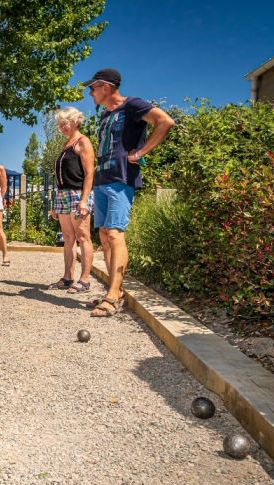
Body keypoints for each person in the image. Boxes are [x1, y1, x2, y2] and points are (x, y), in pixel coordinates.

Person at [83, 68, 174, 317]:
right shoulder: (105, 115)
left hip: (121, 179)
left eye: (92, 88)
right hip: (102, 179)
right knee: (104, 235)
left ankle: (113, 296)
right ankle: (115, 290)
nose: (90, 93)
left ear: (105, 86)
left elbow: (165, 121)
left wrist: (141, 152)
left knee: (115, 233)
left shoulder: (132, 105)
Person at [47, 107, 94, 294]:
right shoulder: (67, 144)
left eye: (63, 123)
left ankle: (85, 280)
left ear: (74, 121)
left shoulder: (83, 142)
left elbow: (89, 173)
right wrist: (55, 202)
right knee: (67, 238)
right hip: (62, 194)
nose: (61, 128)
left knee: (83, 237)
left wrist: (84, 200)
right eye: (59, 125)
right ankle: (68, 277)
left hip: (77, 193)